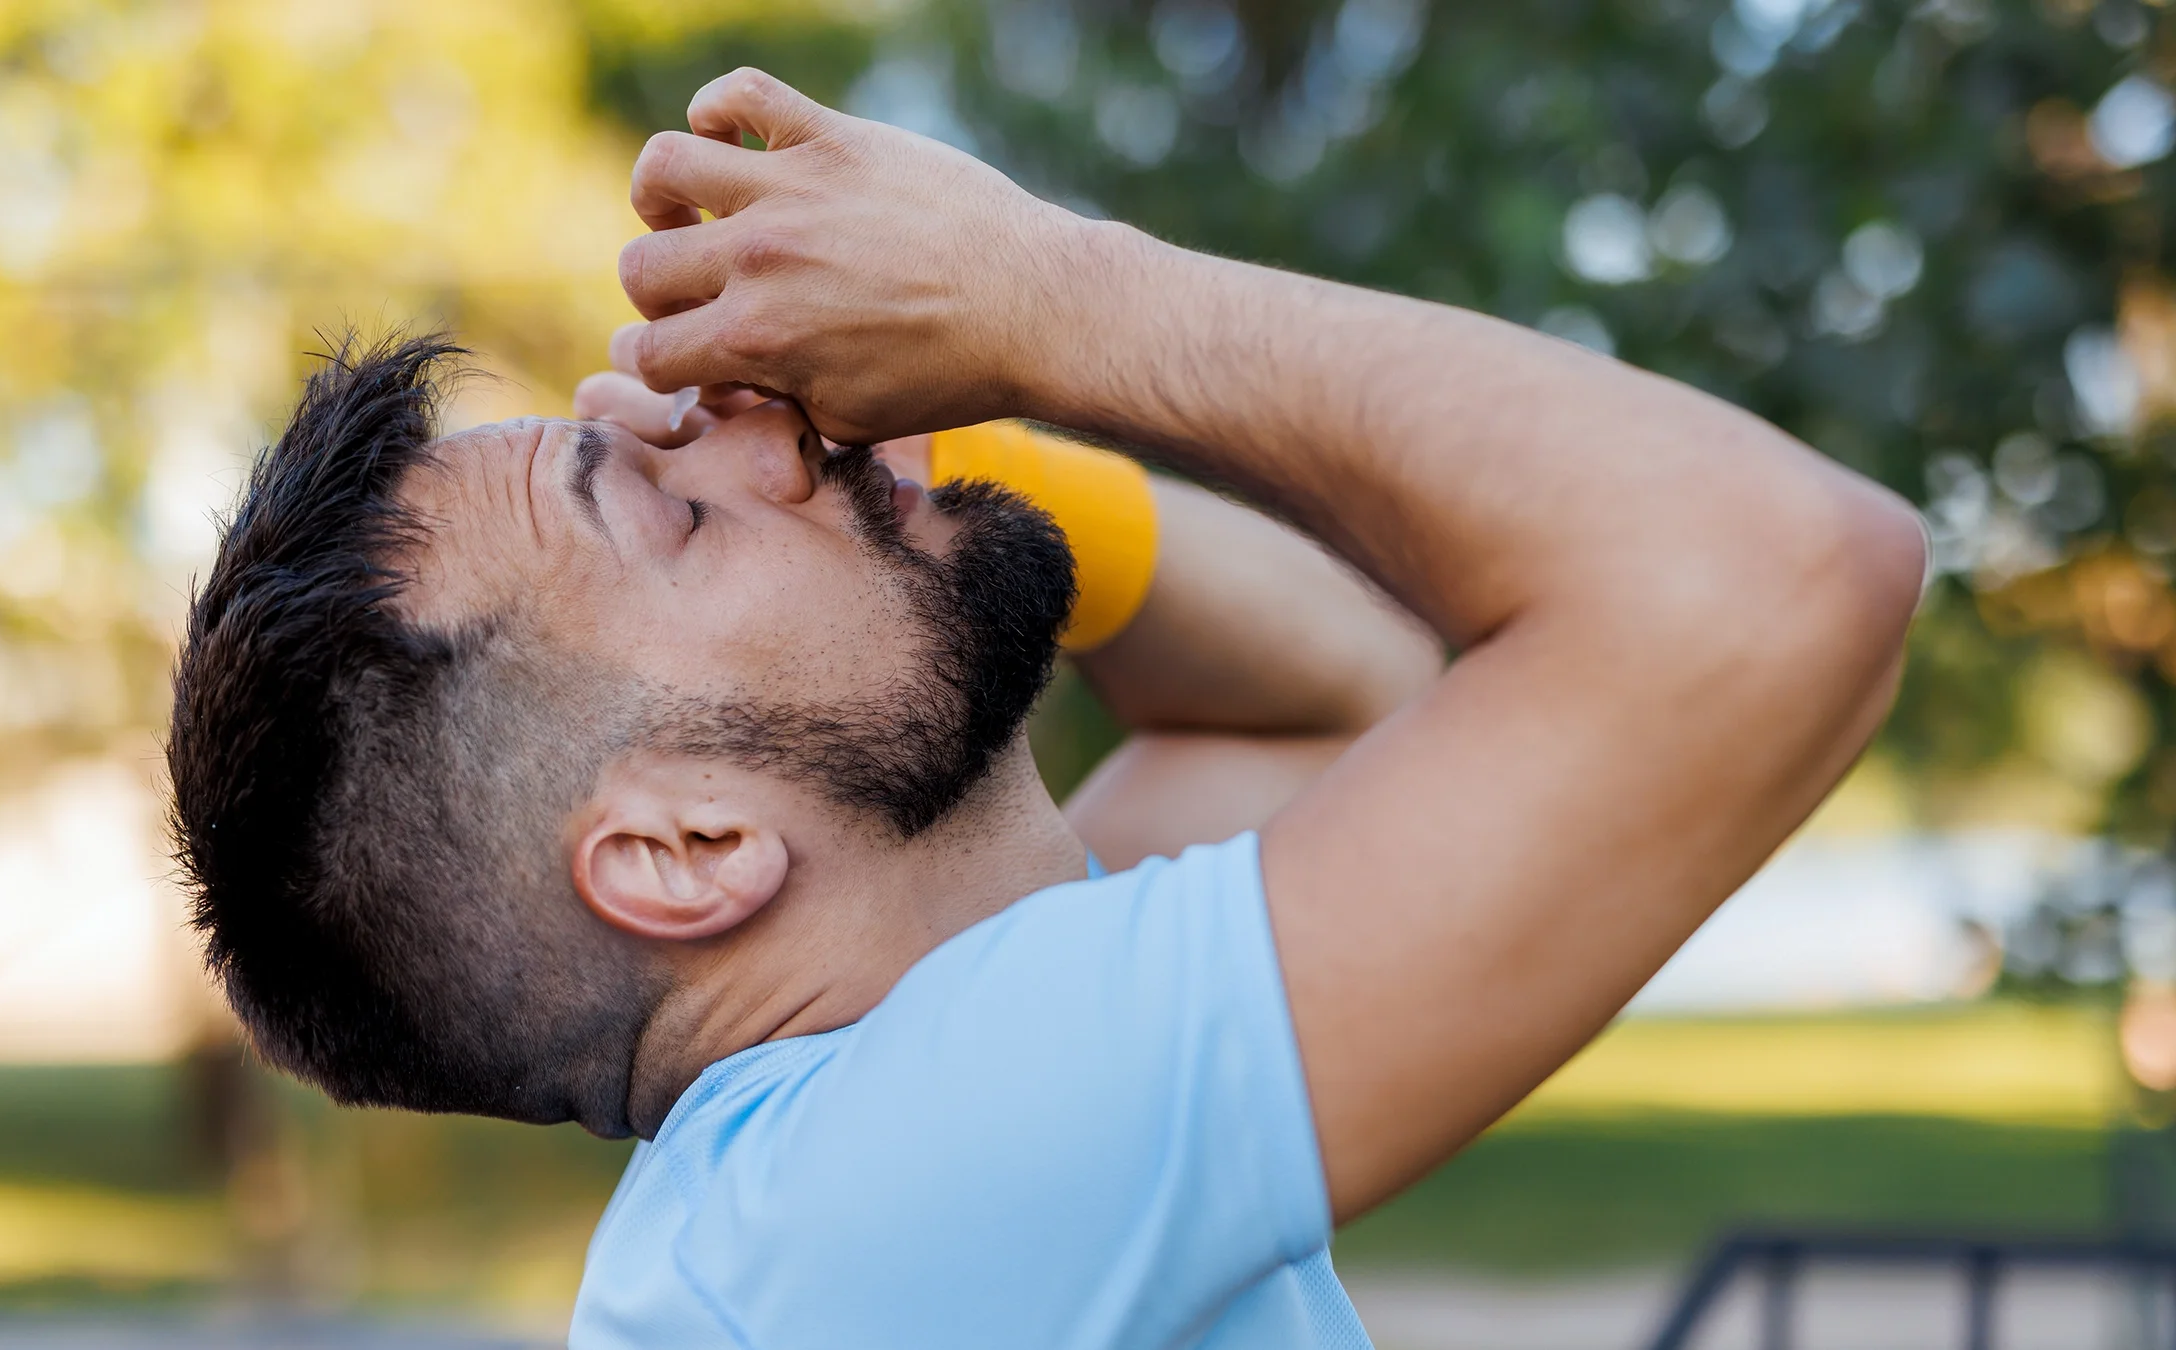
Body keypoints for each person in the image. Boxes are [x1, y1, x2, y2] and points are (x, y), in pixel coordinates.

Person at [165, 68, 1926, 1350]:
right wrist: (1043, 298)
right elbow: (1778, 575)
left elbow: (1329, 713)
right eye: (670, 504)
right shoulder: (869, 1217)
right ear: (686, 847)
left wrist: (961, 450)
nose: (758, 419)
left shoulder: (845, 1145)